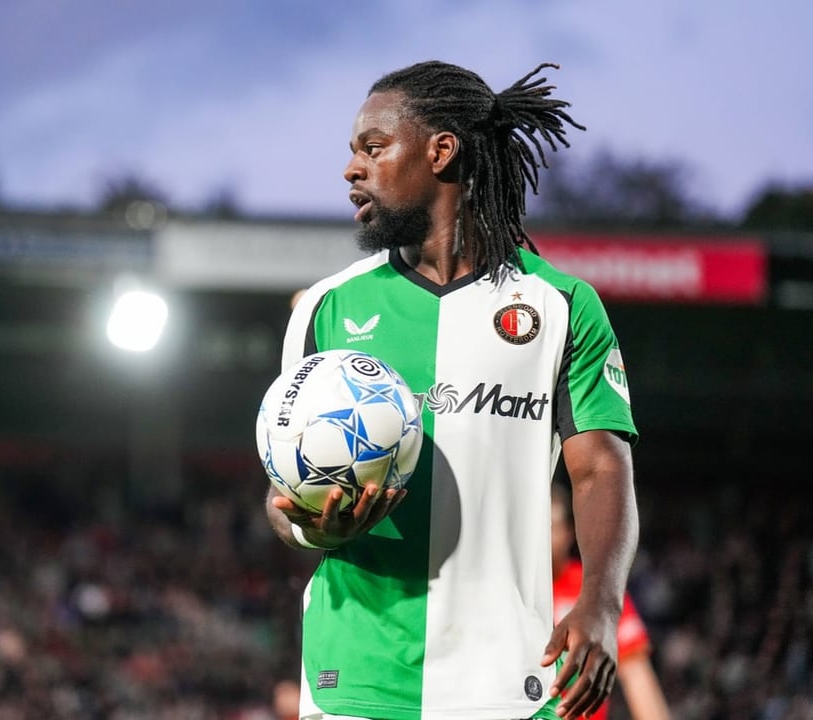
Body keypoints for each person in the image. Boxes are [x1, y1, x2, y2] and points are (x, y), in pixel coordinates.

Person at [264, 60, 639, 720]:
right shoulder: (325, 308)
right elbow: (280, 502)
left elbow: (600, 468)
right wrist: (313, 531)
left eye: (373, 148)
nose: (352, 170)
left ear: (441, 151)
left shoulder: (560, 305)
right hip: (357, 676)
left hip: (510, 681)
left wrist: (601, 605)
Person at [551, 482, 671, 720]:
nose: (540, 537)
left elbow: (636, 673)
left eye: (550, 527)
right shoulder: (498, 591)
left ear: (568, 533)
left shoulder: (595, 591)